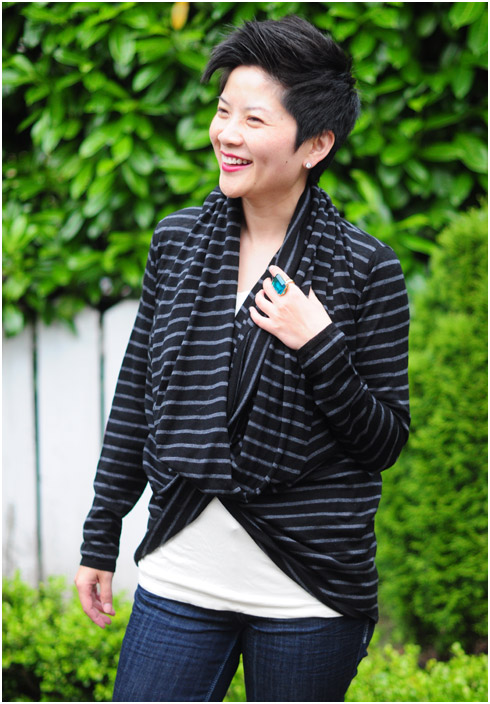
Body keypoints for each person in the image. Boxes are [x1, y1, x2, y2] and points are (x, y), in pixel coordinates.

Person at [75, 15, 410, 703]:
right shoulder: (176, 244)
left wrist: (318, 345)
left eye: (254, 119)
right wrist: (100, 534)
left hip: (309, 588)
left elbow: (383, 442)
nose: (226, 133)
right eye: (224, 111)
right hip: (181, 570)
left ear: (316, 143)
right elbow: (136, 398)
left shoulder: (366, 269)